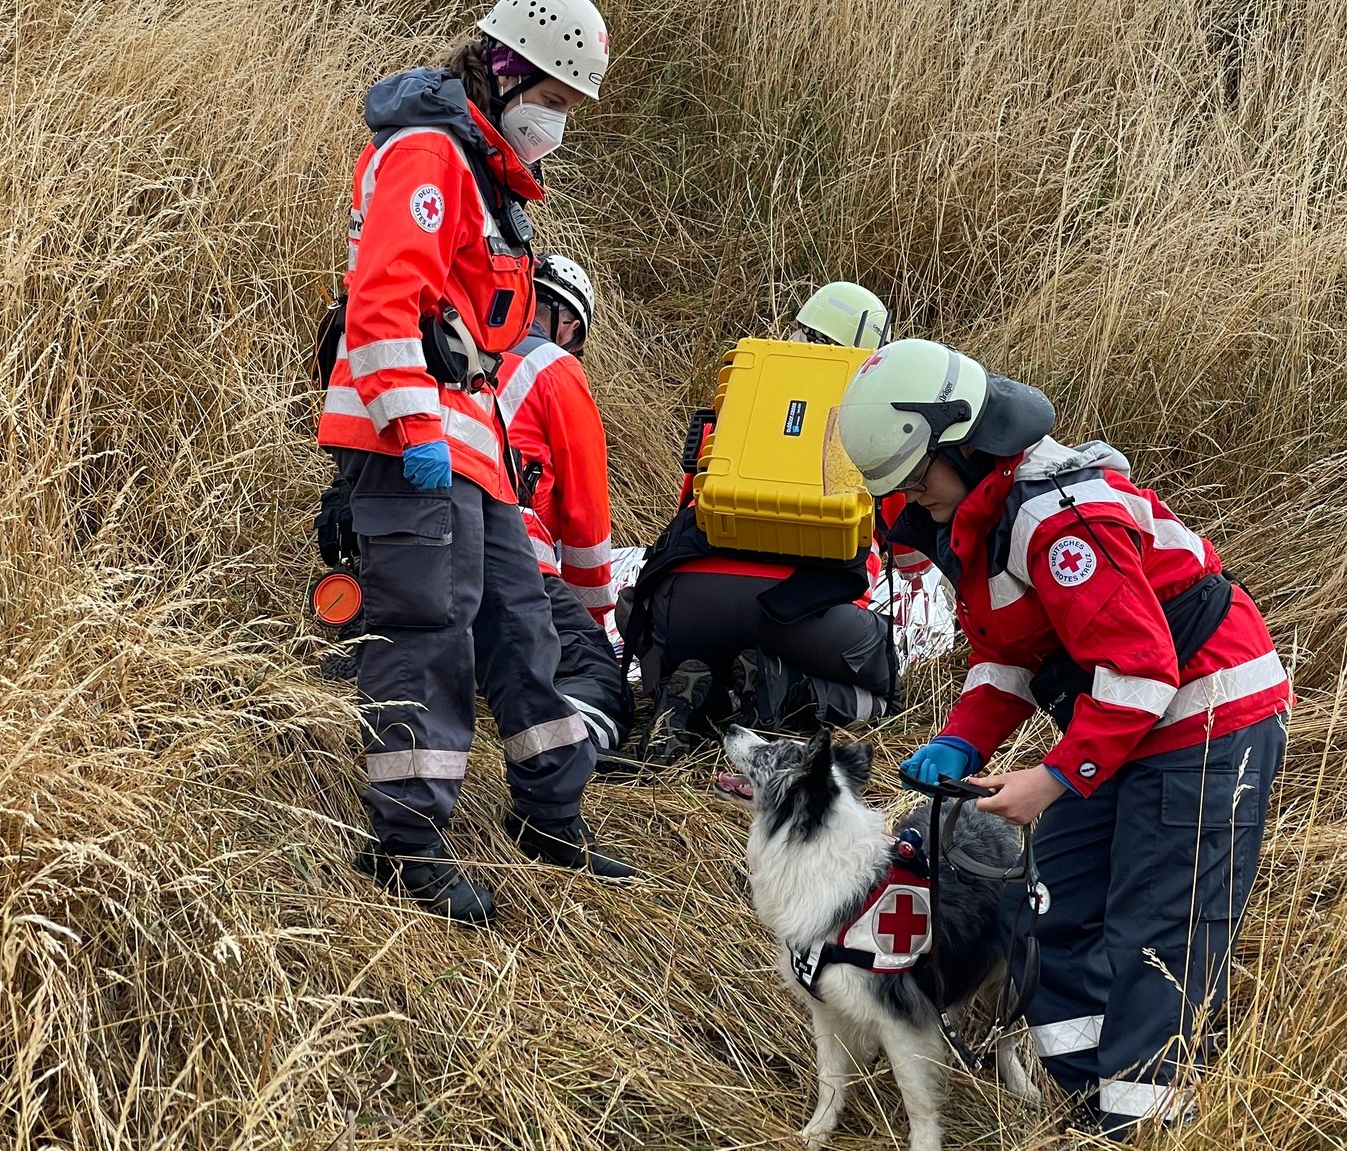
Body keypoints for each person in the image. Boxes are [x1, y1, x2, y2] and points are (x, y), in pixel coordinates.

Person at [834, 339, 1291, 1139]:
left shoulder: (1056, 519)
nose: (910, 499)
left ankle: (1143, 1128)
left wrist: (1049, 778)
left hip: (1207, 717)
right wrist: (961, 742)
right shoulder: (982, 514)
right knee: (1043, 916)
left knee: (1159, 940)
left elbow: (1142, 672)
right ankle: (1090, 1110)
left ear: (962, 443)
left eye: (915, 478)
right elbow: (1013, 654)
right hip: (1118, 723)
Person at [317, 0, 633, 928]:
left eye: (571, 104)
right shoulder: (429, 155)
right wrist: (414, 433)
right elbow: (380, 307)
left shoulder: (485, 177)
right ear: (503, 70)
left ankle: (549, 811)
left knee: (520, 631)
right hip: (413, 445)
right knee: (427, 634)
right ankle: (405, 844)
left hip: (470, 447)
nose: (558, 122)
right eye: (553, 96)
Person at [621, 282, 911, 775]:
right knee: (884, 690)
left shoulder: (741, 396)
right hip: (805, 613)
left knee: (648, 618)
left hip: (688, 601)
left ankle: (690, 696)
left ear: (797, 331)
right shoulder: (874, 423)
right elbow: (910, 555)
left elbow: (688, 505)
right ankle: (789, 689)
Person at [490, 253, 631, 758]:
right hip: (511, 560)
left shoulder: (456, 347)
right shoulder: (555, 367)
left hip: (415, 548)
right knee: (600, 681)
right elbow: (585, 513)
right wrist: (593, 618)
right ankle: (563, 753)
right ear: (568, 324)